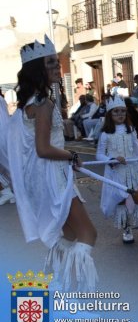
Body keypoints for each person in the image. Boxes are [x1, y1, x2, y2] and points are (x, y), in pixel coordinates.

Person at [8, 35, 98, 292]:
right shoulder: (43, 104)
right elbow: (43, 148)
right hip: (55, 177)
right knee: (88, 234)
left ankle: (58, 284)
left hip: (48, 176)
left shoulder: (28, 105)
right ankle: (70, 292)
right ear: (38, 70)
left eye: (57, 63)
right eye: (51, 64)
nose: (58, 68)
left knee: (67, 236)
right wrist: (71, 155)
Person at [96, 95, 138, 244]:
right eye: (116, 112)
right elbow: (99, 154)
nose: (120, 114)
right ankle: (127, 230)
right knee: (121, 201)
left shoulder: (130, 129)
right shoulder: (106, 134)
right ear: (109, 115)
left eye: (122, 111)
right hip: (116, 173)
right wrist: (111, 160)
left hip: (132, 171)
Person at [0, 93, 15, 205]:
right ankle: (11, 191)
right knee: (9, 165)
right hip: (5, 134)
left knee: (9, 165)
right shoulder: (1, 99)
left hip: (2, 135)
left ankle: (8, 191)